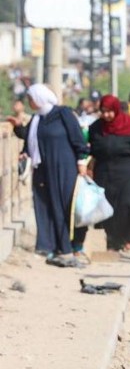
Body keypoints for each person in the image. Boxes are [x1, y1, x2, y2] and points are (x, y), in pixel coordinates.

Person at [10, 84, 88, 266]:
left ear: (39, 98)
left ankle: (70, 248)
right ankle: (54, 247)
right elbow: (30, 137)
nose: (29, 102)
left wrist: (81, 160)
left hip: (64, 168)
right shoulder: (37, 119)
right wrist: (17, 128)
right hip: (43, 171)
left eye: (31, 99)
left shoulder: (62, 114)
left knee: (65, 206)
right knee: (47, 206)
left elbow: (77, 137)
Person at [88, 94, 130, 252]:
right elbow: (92, 149)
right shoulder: (96, 128)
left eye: (110, 111)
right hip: (106, 171)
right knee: (109, 207)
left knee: (129, 204)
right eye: (103, 111)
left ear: (117, 110)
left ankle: (126, 237)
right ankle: (113, 241)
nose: (106, 115)